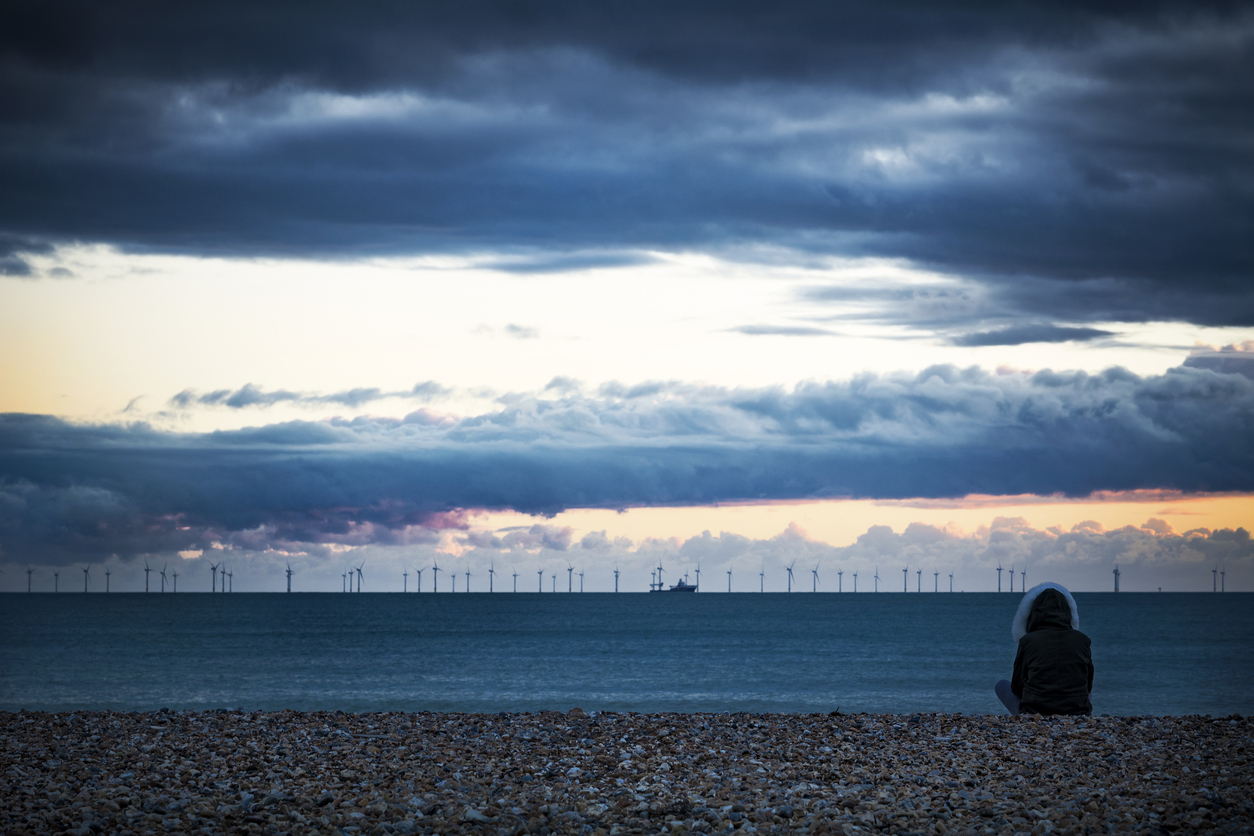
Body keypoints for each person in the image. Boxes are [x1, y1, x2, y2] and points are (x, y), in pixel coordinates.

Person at [995, 582, 1093, 716]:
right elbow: (1088, 684)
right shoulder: (1083, 640)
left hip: (1035, 713)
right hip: (1078, 712)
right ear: (1067, 612)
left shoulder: (1028, 641)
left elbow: (1016, 687)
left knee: (1001, 685)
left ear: (1034, 613)